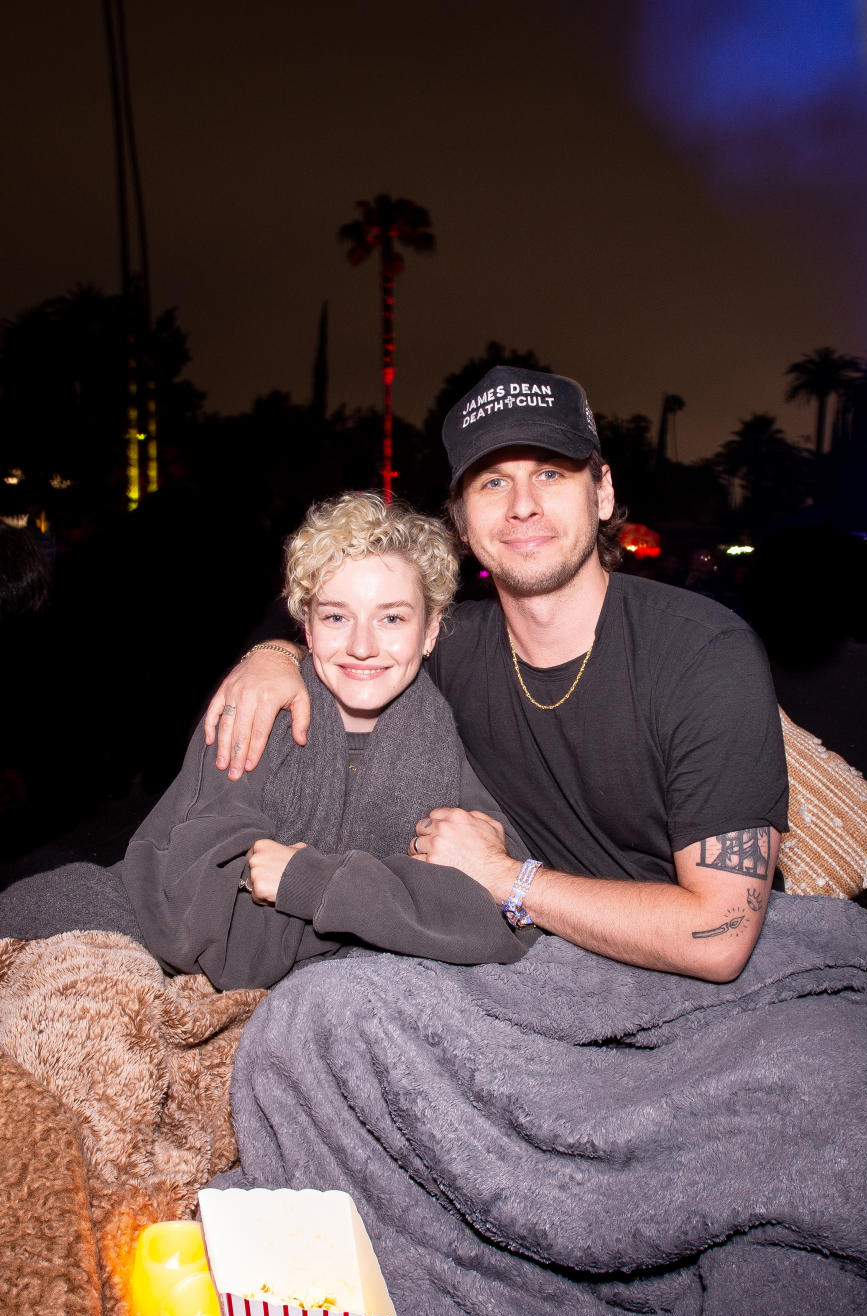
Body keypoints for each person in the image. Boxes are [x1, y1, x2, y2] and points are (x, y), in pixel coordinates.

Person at [207, 367, 789, 982]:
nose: (523, 506)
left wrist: (503, 876)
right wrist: (270, 655)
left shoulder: (703, 653)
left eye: (550, 473)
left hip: (670, 973)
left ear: (603, 492)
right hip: (521, 961)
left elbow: (717, 939)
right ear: (461, 521)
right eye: (492, 482)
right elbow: (333, 612)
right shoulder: (447, 643)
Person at [0, 492, 528, 985]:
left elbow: (505, 920)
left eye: (392, 617)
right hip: (130, 941)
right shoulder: (256, 716)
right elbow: (220, 943)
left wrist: (315, 883)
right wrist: (401, 913)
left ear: (431, 629)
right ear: (307, 626)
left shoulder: (441, 742)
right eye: (336, 616)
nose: (362, 646)